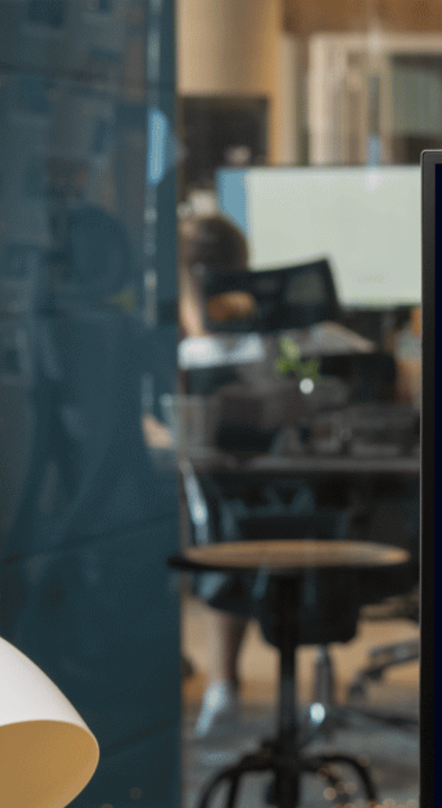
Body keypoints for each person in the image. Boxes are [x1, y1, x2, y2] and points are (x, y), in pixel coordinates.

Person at [177, 214, 260, 737]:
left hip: (219, 479)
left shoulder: (215, 338)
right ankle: (222, 681)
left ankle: (222, 681)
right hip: (208, 477)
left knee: (226, 535)